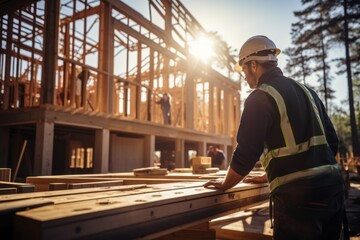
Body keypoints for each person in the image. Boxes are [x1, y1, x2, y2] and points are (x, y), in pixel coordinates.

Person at [204, 35, 346, 240]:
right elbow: (331, 144)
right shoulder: (308, 92)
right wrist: (268, 174)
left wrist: (226, 184)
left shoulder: (259, 97)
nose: (244, 76)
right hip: (333, 192)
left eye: (244, 69)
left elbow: (247, 152)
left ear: (254, 65)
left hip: (299, 202)